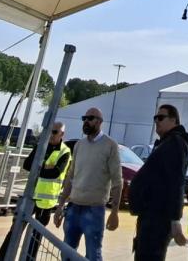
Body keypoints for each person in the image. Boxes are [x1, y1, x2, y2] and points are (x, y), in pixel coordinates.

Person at [55, 108, 123, 261]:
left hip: (94, 210)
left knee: (93, 255)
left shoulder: (110, 145)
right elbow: (71, 176)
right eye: (84, 118)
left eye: (90, 118)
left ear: (99, 122)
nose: (86, 121)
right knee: (66, 254)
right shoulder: (79, 145)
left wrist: (114, 212)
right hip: (73, 208)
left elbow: (117, 181)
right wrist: (60, 205)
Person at [129, 104, 188, 261]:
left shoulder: (175, 143)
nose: (157, 121)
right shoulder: (166, 143)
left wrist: (175, 219)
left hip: (158, 219)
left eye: (161, 117)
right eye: (155, 118)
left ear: (173, 120)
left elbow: (176, 181)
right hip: (150, 216)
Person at [20, 122, 71, 261]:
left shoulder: (65, 151)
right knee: (16, 227)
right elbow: (26, 164)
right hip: (30, 195)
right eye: (49, 131)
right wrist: (44, 167)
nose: (51, 135)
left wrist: (38, 168)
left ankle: (29, 259)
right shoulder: (41, 145)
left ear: (62, 134)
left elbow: (55, 173)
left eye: (54, 132)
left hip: (46, 201)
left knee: (36, 235)